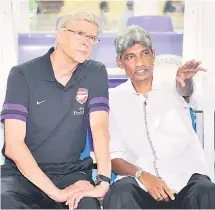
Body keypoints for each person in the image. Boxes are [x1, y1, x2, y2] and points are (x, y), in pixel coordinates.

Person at [1, 8, 111, 209]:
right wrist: (57, 194)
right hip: (21, 175)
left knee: (88, 205)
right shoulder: (22, 75)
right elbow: (13, 145)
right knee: (5, 202)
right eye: (79, 33)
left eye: (92, 37)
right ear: (59, 35)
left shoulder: (95, 72)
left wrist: (103, 181)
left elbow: (100, 128)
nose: (86, 41)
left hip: (71, 173)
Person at [102, 25, 215, 209]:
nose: (140, 63)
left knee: (207, 191)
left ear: (153, 54)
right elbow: (114, 158)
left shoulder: (175, 83)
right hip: (141, 188)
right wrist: (142, 175)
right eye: (131, 57)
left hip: (186, 185)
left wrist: (186, 83)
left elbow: (189, 94)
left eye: (144, 53)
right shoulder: (112, 100)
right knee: (119, 194)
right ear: (120, 63)